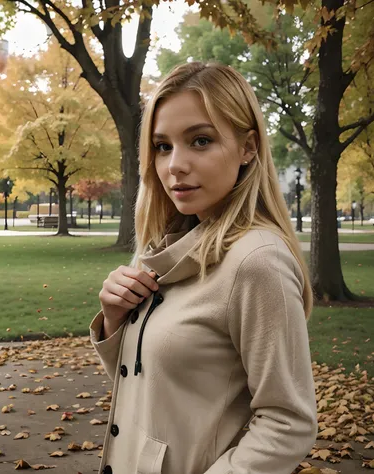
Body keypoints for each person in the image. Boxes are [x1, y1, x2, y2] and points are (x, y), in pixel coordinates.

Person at [89, 61, 318, 474]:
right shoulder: (166, 250)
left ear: (248, 147)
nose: (175, 165)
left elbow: (289, 422)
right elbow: (149, 388)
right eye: (162, 146)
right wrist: (113, 320)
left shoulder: (256, 261)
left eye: (199, 140)